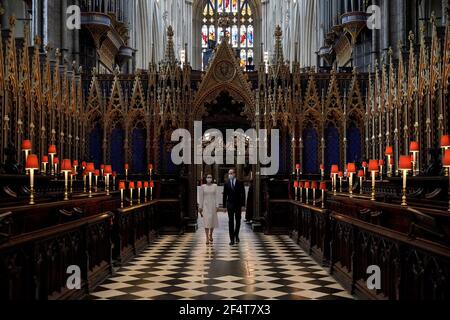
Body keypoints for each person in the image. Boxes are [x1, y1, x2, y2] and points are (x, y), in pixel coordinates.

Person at [223, 169, 246, 245]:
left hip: (238, 204)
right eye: (229, 173)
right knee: (231, 221)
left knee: (238, 221)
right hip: (230, 205)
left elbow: (243, 194)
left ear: (234, 174)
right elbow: (225, 195)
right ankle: (231, 239)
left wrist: (243, 205)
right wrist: (224, 206)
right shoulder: (226, 183)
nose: (230, 174)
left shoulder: (240, 183)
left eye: (231, 173)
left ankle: (236, 234)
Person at [198, 174, 219, 245]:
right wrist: (200, 207)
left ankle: (211, 234)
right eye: (208, 177)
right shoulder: (203, 186)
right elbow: (201, 198)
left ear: (212, 178)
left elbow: (217, 196)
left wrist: (217, 205)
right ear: (206, 178)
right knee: (206, 222)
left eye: (210, 177)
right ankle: (207, 237)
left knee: (212, 221)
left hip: (213, 206)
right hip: (205, 206)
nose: (209, 178)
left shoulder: (215, 186)